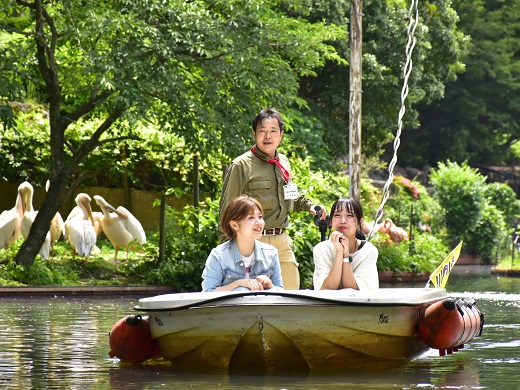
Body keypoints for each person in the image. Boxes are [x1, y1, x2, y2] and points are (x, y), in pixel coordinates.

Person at [219, 107, 327, 290]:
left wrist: (310, 206)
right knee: (255, 303)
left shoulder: (282, 162)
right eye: (262, 131)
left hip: (282, 243)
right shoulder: (241, 165)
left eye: (273, 131)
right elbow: (227, 211)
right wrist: (228, 250)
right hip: (252, 244)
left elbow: (290, 196)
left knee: (292, 298)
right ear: (254, 134)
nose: (267, 136)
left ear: (281, 135)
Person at [202, 195, 284, 292]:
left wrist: (271, 286)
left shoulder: (271, 253)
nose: (259, 222)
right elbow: (208, 292)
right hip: (232, 307)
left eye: (260, 217)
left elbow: (280, 293)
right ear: (234, 225)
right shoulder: (218, 255)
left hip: (262, 306)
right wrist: (239, 283)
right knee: (241, 290)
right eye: (251, 218)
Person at [313, 197, 379, 290]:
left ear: (359, 222)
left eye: (350, 215)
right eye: (337, 215)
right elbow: (327, 288)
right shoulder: (321, 249)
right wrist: (339, 252)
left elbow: (353, 289)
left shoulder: (368, 251)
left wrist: (346, 256)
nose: (343, 220)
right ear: (331, 220)